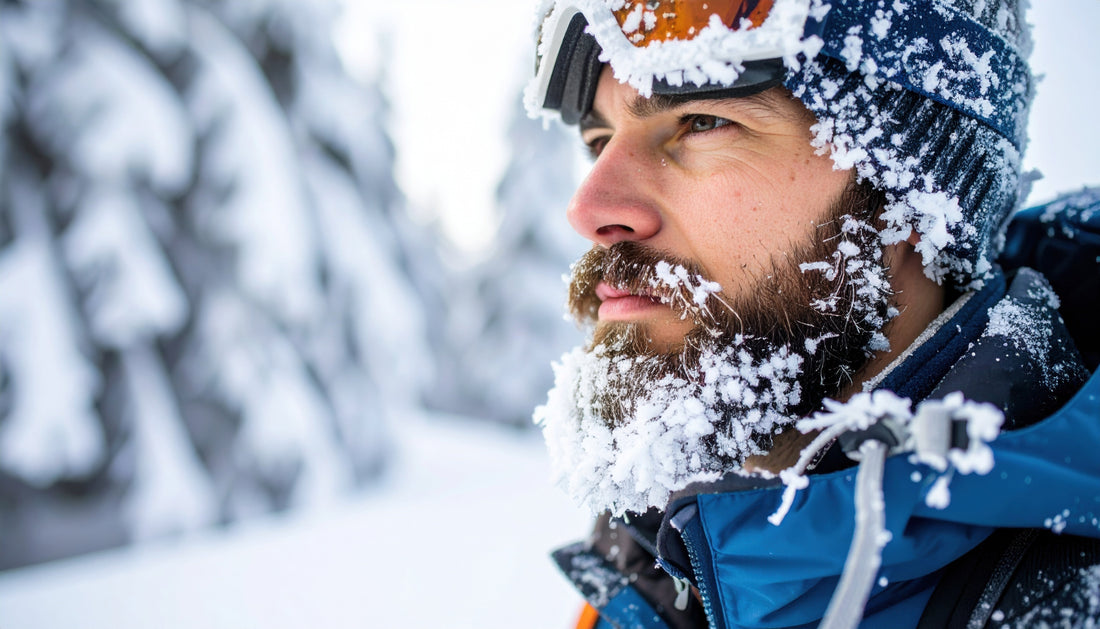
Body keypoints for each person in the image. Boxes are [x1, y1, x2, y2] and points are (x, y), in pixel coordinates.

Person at [525, 1, 1100, 627]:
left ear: (911, 196)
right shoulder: (652, 564)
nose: (587, 207)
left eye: (703, 121)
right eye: (600, 141)